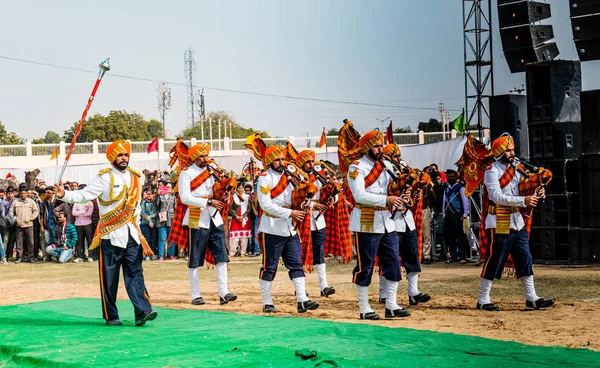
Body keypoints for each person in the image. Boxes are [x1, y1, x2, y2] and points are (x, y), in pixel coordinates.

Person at [54, 140, 157, 327]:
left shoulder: (136, 178)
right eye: (120, 155)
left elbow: (137, 208)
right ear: (112, 157)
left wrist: (138, 229)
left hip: (132, 235)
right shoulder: (105, 178)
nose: (124, 158)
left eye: (126, 154)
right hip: (111, 235)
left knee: (135, 272)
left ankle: (142, 310)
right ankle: (111, 315)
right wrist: (64, 194)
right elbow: (84, 195)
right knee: (109, 278)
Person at [477, 134, 555, 311]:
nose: (512, 153)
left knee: (525, 257)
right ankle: (483, 299)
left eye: (512, 150)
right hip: (499, 220)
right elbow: (496, 197)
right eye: (509, 150)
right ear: (500, 152)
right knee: (494, 259)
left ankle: (531, 297)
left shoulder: (517, 168)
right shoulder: (492, 171)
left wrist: (538, 190)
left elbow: (525, 186)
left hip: (517, 220)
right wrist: (523, 201)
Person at [346, 131, 410, 320]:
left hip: (387, 221)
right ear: (367, 148)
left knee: (393, 262)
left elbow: (392, 187)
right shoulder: (356, 167)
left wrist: (402, 195)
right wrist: (387, 199)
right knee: (365, 266)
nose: (380, 149)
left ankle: (391, 305)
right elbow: (359, 195)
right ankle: (365, 308)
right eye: (376, 146)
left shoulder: (387, 165)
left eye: (381, 145)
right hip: (366, 221)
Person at [254, 145, 320, 314]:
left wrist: (305, 204)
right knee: (269, 266)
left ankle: (302, 300)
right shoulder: (264, 178)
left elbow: (296, 197)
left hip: (290, 228)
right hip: (272, 228)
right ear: (269, 161)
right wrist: (291, 212)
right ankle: (267, 302)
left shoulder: (291, 175)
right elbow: (266, 205)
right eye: (277, 159)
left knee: (296, 264)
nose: (281, 162)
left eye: (283, 159)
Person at [176, 143, 237, 306]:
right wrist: (208, 201)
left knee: (222, 256)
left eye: (206, 156)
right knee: (195, 257)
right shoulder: (186, 174)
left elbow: (220, 189)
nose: (205, 159)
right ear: (194, 157)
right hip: (197, 218)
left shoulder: (214, 170)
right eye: (201, 156)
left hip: (215, 218)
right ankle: (195, 294)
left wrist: (226, 192)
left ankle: (224, 292)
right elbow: (185, 198)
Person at [383, 143, 430, 307]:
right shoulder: (383, 172)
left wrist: (416, 190)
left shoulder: (404, 169)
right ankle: (385, 294)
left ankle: (413, 292)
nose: (398, 159)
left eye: (399, 156)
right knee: (391, 259)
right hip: (391, 219)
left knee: (412, 257)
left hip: (406, 219)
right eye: (395, 156)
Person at [296, 149, 336, 297]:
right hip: (301, 219)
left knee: (319, 253)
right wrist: (313, 205)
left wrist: (333, 199)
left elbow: (329, 192)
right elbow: (296, 199)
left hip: (319, 220)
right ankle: (300, 287)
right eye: (308, 162)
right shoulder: (296, 177)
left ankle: (323, 286)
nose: (311, 164)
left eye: (312, 161)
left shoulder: (320, 176)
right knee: (299, 254)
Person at [443, 169, 470, 263]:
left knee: (460, 236)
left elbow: (465, 202)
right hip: (449, 216)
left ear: (456, 177)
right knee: (450, 236)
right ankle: (453, 255)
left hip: (458, 215)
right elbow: (444, 201)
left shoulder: (461, 188)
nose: (450, 179)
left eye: (452, 177)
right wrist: (444, 213)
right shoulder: (446, 189)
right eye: (448, 177)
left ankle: (462, 256)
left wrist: (465, 214)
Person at [11, 185, 40, 263]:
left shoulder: (31, 202)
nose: (23, 195)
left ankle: (31, 257)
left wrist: (31, 218)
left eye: (24, 193)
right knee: (19, 243)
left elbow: (36, 211)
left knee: (31, 242)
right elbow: (11, 212)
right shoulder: (15, 202)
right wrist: (14, 219)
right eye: (21, 193)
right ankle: (19, 257)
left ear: (27, 193)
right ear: (19, 194)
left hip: (29, 225)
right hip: (19, 225)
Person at [228, 182, 252, 257]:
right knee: (234, 237)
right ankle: (232, 252)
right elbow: (231, 209)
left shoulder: (247, 197)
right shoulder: (233, 197)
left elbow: (249, 208)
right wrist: (237, 216)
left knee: (244, 237)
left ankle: (243, 252)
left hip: (244, 219)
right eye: (239, 188)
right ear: (236, 189)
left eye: (242, 188)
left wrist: (243, 216)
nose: (240, 189)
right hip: (236, 219)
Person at [157, 182, 176, 260]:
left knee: (171, 238)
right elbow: (156, 205)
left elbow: (176, 208)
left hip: (171, 219)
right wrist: (158, 194)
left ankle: (171, 255)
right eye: (166, 187)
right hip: (161, 220)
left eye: (169, 187)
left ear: (172, 189)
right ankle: (161, 256)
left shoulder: (173, 197)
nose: (168, 189)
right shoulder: (160, 196)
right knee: (162, 238)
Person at [141, 188, 158, 260]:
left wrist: (150, 217)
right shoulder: (143, 202)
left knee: (153, 240)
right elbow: (142, 212)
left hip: (154, 223)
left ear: (153, 195)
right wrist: (149, 220)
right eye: (147, 194)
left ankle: (153, 254)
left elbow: (157, 212)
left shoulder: (155, 202)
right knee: (146, 239)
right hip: (145, 223)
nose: (148, 196)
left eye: (150, 194)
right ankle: (146, 254)